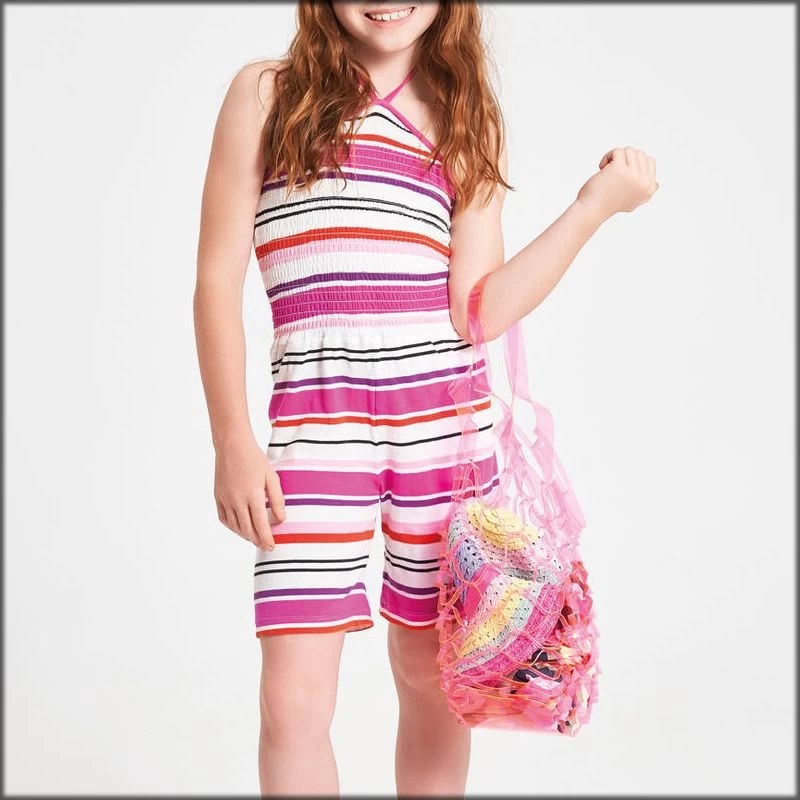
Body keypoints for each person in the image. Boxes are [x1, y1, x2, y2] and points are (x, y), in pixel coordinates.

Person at [193, 1, 658, 796]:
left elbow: (478, 311)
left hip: (444, 435)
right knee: (291, 702)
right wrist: (231, 439)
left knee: (431, 678)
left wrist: (592, 208)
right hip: (314, 431)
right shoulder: (266, 94)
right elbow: (214, 280)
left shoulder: (464, 117)